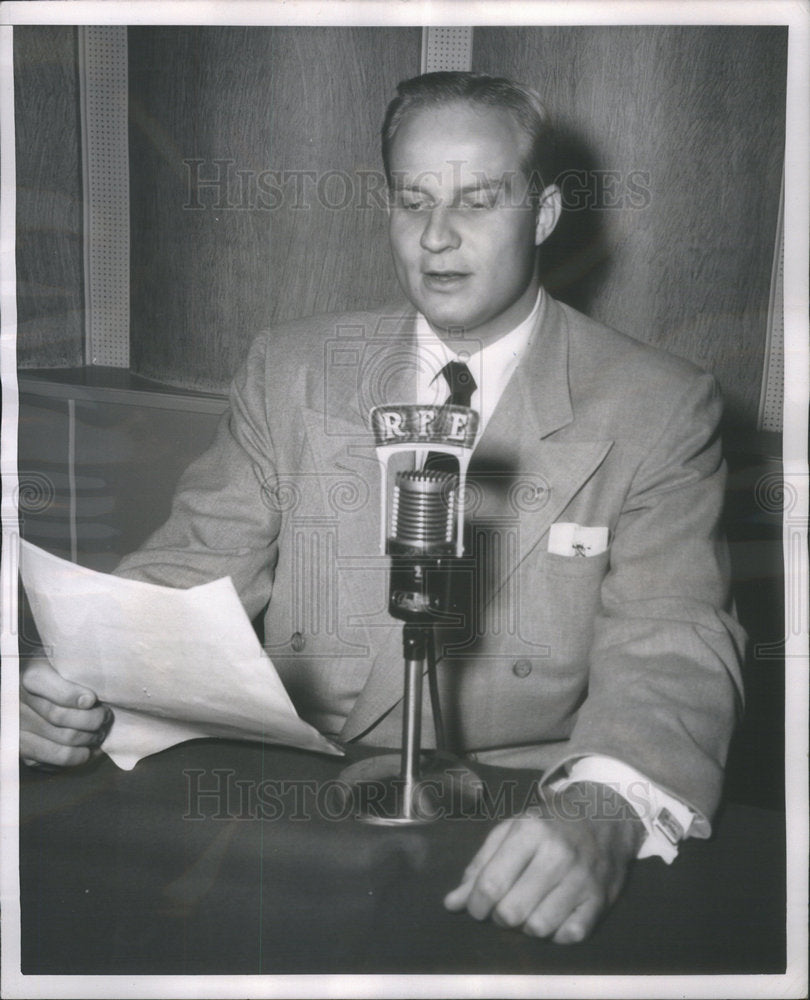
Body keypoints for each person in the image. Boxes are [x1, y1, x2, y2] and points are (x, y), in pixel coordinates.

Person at [20, 71, 745, 944]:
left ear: (544, 214)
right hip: (290, 802)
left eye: (478, 198)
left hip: (517, 810)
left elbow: (673, 645)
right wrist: (72, 683)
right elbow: (188, 572)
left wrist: (600, 811)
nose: (439, 237)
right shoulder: (290, 369)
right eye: (413, 201)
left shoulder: (659, 404)